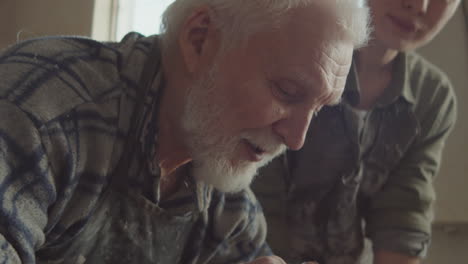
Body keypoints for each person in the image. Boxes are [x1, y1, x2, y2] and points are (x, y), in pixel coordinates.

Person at [0, 0, 370, 263]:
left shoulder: (229, 205)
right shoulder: (44, 114)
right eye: (287, 92)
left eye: (319, 109)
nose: (296, 139)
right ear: (200, 38)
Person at [252, 0, 460, 263]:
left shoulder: (432, 96)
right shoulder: (295, 54)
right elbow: (257, 195)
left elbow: (404, 210)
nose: (418, 5)